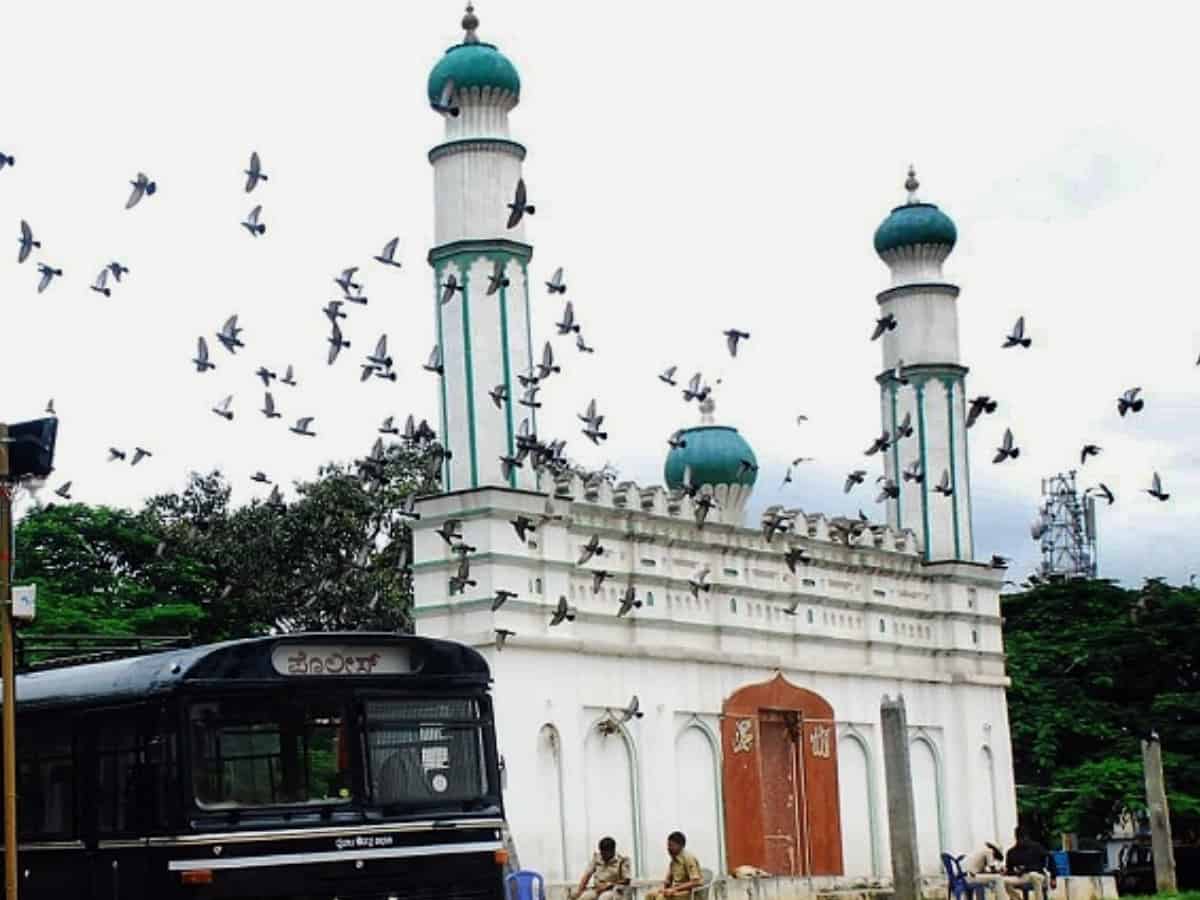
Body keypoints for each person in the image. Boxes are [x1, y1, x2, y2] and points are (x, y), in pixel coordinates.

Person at [646, 831, 703, 899]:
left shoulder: (688, 858)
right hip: (677, 890)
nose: (668, 848)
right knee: (650, 895)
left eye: (671, 845)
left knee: (661, 898)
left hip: (689, 892)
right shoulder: (674, 860)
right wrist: (663, 889)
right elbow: (668, 881)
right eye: (668, 846)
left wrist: (675, 889)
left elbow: (696, 882)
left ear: (680, 845)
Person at [1004, 828, 1054, 900]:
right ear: (1016, 838)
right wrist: (1012, 872)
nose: (1022, 840)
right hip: (1021, 877)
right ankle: (1016, 898)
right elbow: (1009, 869)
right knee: (1003, 881)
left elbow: (1050, 858)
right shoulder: (1012, 852)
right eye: (1020, 838)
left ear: (1027, 837)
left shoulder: (1036, 847)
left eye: (1023, 838)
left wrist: (1053, 877)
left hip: (1037, 874)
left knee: (1033, 875)